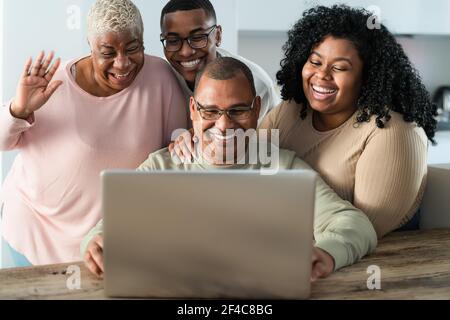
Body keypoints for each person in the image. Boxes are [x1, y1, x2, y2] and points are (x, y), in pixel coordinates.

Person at [81, 57, 377, 283]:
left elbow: (353, 224)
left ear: (257, 108)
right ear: (194, 110)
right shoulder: (160, 167)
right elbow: (103, 230)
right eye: (210, 112)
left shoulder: (282, 167)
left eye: (237, 110)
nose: (223, 125)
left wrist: (326, 253)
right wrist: (95, 245)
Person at [173, 5, 438, 238]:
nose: (321, 76)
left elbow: (360, 230)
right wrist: (197, 140)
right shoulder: (292, 111)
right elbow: (249, 164)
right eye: (315, 62)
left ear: (367, 76)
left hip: (378, 264)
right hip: (287, 245)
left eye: (340, 68)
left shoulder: (392, 131)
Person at [0, 0, 187, 268]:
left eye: (132, 49)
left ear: (144, 43)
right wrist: (19, 109)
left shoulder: (161, 79)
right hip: (34, 231)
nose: (122, 64)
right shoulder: (53, 84)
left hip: (107, 240)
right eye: (108, 52)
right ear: (91, 47)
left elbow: (176, 156)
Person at [159, 0, 280, 123]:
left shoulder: (256, 83)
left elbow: (268, 139)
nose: (185, 52)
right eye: (173, 41)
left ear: (217, 35)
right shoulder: (155, 80)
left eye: (197, 38)